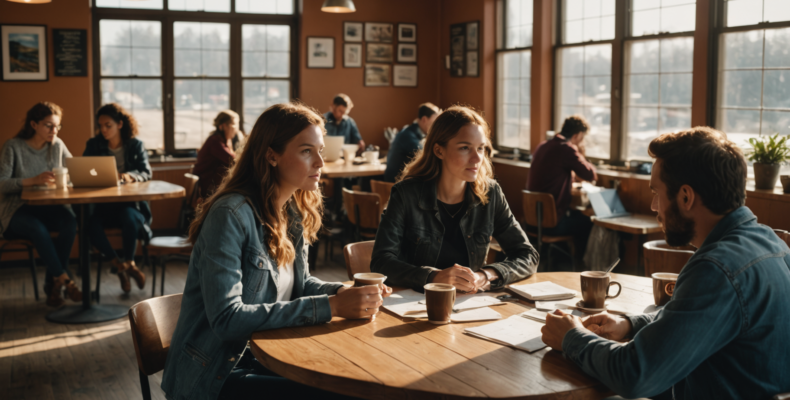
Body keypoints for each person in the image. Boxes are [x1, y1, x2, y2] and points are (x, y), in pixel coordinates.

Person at [161, 102, 391, 400]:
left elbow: (301, 284)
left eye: (320, 150)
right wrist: (333, 307)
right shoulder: (230, 215)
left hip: (263, 355)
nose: (320, 163)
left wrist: (349, 292)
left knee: (359, 375)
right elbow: (227, 320)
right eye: (307, 151)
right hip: (216, 374)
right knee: (345, 391)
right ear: (272, 155)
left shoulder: (292, 210)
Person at [541, 127, 790, 399]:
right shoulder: (770, 241)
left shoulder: (717, 269)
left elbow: (636, 375)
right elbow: (692, 317)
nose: (653, 206)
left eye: (656, 192)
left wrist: (570, 337)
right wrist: (630, 325)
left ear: (685, 197)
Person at [371, 106, 539, 293]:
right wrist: (433, 277)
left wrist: (485, 275)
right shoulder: (406, 195)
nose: (477, 159)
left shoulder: (491, 193)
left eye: (481, 148)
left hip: (471, 304)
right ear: (438, 150)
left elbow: (528, 255)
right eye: (465, 148)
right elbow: (381, 262)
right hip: (416, 305)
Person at [0, 102, 80, 307]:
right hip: (16, 209)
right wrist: (32, 180)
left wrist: (68, 181)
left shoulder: (57, 145)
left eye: (57, 126)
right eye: (49, 126)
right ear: (34, 124)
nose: (54, 131)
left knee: (70, 222)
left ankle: (54, 283)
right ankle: (64, 279)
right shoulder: (13, 146)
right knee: (37, 228)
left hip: (49, 207)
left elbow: (74, 175)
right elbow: (2, 183)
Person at [83, 103, 149, 293]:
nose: (103, 130)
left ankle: (128, 262)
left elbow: (146, 172)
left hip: (130, 205)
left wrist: (130, 176)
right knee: (90, 225)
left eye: (108, 125)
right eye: (101, 125)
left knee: (129, 217)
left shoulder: (135, 145)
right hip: (103, 206)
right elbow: (83, 170)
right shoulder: (93, 144)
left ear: (120, 124)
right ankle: (119, 265)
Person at [526, 114, 597, 258]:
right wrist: (581, 152)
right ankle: (581, 267)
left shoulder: (543, 145)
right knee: (589, 222)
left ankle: (559, 260)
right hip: (552, 225)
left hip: (530, 222)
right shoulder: (567, 149)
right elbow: (590, 175)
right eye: (582, 138)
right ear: (577, 136)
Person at [193, 110, 245, 199]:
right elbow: (233, 160)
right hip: (208, 187)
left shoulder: (226, 140)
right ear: (223, 126)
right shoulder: (215, 142)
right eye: (234, 125)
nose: (236, 129)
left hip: (216, 186)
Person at [383, 103, 441, 183]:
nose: (436, 127)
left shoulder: (411, 132)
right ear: (424, 120)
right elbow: (425, 155)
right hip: (397, 186)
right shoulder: (407, 136)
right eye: (434, 122)